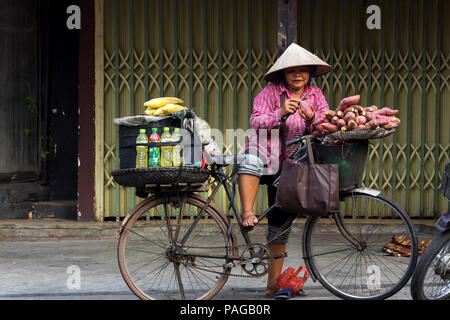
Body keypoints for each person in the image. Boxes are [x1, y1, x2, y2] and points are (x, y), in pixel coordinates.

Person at [236, 43, 332, 298]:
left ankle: (272, 287)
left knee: (279, 226)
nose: (297, 75)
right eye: (291, 71)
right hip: (265, 154)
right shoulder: (269, 92)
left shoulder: (316, 95)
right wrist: (279, 113)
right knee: (250, 160)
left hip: (292, 164)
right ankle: (247, 212)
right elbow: (255, 121)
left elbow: (325, 126)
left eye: (302, 71)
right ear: (283, 75)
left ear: (310, 73)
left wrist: (312, 118)